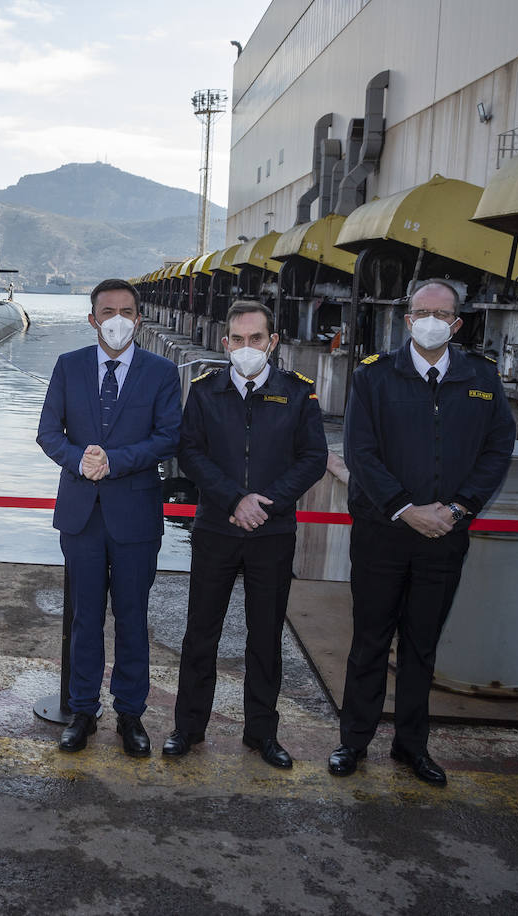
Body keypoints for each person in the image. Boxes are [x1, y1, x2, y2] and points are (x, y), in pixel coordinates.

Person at [331, 280, 514, 786]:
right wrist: (405, 508)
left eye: (442, 312)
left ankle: (412, 746)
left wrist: (458, 508)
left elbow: (498, 449)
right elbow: (361, 451)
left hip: (445, 534)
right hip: (382, 532)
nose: (430, 319)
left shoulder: (481, 377)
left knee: (421, 644)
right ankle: (354, 741)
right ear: (407, 319)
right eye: (420, 311)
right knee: (369, 639)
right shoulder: (374, 376)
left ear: (457, 323)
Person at [164, 301, 327, 768]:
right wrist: (235, 498)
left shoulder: (298, 394)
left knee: (266, 637)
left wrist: (265, 502)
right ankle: (188, 728)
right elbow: (191, 453)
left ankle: (261, 734)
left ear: (272, 342)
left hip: (272, 534)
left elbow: (312, 458)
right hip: (217, 528)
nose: (247, 348)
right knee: (200, 633)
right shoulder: (205, 390)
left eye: (257, 339)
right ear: (225, 343)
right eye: (238, 339)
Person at [37, 278, 181, 756]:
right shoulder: (68, 366)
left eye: (126, 310)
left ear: (139, 318)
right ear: (92, 318)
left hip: (135, 514)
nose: (117, 318)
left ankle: (130, 715)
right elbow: (47, 432)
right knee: (83, 619)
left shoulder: (161, 372)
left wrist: (114, 461)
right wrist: (79, 458)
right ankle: (82, 710)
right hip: (81, 514)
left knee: (133, 617)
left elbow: (168, 437)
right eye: (107, 310)